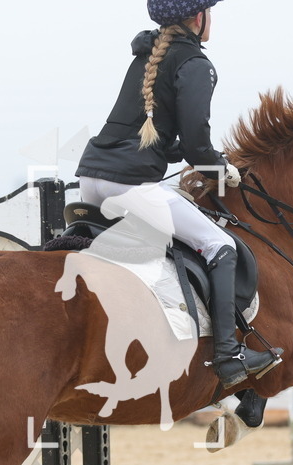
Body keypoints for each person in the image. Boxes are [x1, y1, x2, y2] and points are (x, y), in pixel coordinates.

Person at [75, 0, 282, 390]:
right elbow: (196, 146)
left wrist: (191, 155)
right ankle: (228, 354)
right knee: (219, 245)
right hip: (129, 185)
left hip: (91, 178)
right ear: (198, 18)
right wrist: (224, 170)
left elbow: (153, 135)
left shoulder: (150, 54)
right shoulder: (195, 64)